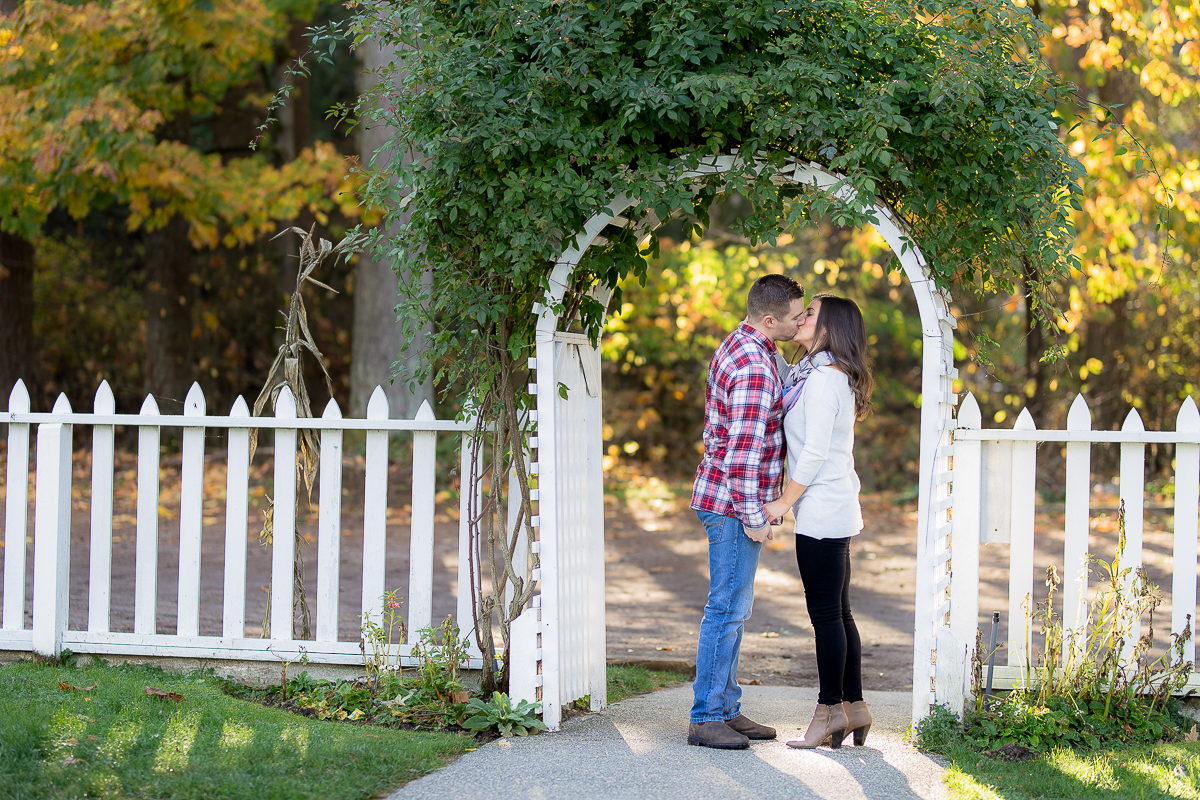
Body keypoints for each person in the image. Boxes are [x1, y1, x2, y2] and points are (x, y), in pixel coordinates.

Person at [687, 273, 806, 750]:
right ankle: (706, 716)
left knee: (735, 608)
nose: (801, 324)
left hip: (727, 498)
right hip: (734, 504)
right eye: (796, 317)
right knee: (727, 610)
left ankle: (726, 709)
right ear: (770, 318)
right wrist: (756, 518)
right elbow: (742, 453)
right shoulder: (755, 365)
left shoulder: (748, 344)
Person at [762, 294, 875, 750]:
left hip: (823, 507)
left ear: (830, 327)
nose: (802, 317)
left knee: (826, 616)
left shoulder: (825, 379)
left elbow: (814, 452)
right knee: (839, 613)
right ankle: (855, 706)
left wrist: (783, 502)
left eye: (810, 313)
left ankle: (828, 711)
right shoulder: (815, 374)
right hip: (832, 503)